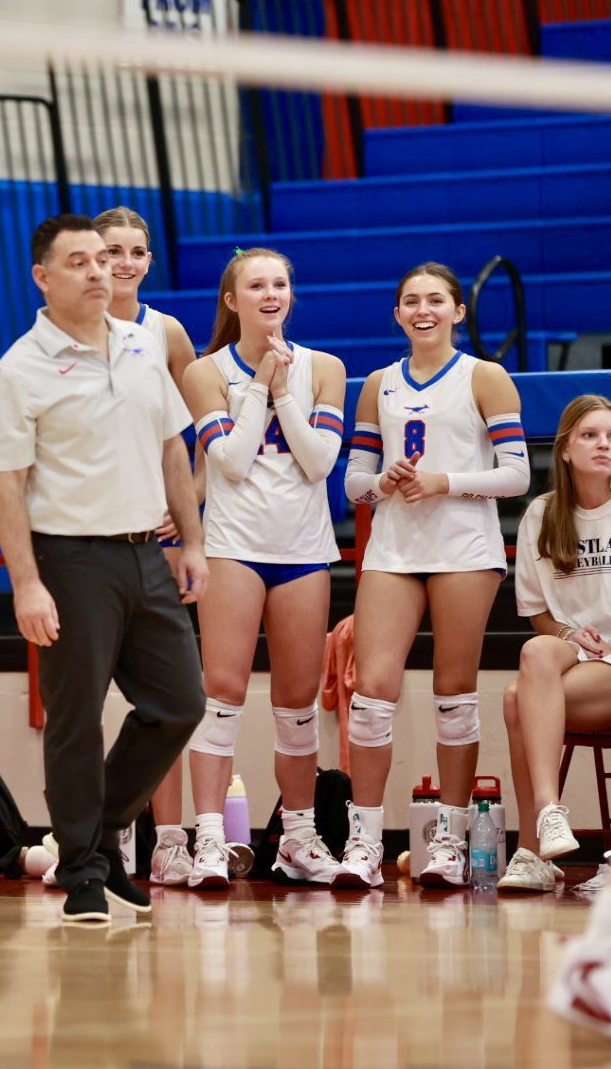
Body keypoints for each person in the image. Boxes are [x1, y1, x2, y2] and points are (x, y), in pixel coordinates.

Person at [0, 213, 207, 924]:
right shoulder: (17, 371)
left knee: (180, 703)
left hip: (145, 553)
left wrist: (193, 543)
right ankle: (82, 869)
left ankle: (97, 831)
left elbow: (173, 448)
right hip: (70, 559)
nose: (98, 272)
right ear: (43, 277)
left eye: (102, 260)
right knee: (76, 718)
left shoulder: (142, 344)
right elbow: (7, 487)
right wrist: (26, 584)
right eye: (79, 262)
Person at [336, 261, 530, 889]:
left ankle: (448, 840)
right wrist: (382, 481)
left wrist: (444, 481)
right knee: (371, 695)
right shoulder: (379, 384)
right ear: (397, 313)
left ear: (458, 311)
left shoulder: (485, 376)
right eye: (412, 301)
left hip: (464, 550)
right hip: (393, 550)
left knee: (454, 694)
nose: (424, 310)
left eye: (436, 300)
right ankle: (363, 844)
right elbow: (354, 483)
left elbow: (517, 474)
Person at [181, 247, 346, 889]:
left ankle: (298, 839)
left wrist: (283, 393)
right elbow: (231, 461)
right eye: (257, 285)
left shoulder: (324, 367)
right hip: (233, 548)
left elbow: (319, 462)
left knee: (297, 703)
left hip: (303, 550)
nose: (271, 294)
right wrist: (259, 386)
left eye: (280, 283)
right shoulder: (205, 371)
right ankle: (209, 841)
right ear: (233, 300)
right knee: (221, 695)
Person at [93, 206, 199, 888]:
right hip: (82, 538)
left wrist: (189, 520)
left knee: (169, 699)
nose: (125, 263)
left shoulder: (167, 333)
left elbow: (198, 435)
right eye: (112, 251)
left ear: (149, 260)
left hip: (148, 535)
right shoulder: (59, 336)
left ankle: (169, 840)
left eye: (136, 251)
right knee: (88, 700)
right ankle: (100, 837)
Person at [497, 394, 611, 892]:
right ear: (565, 449)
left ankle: (532, 850)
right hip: (575, 653)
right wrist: (568, 633)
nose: (603, 444)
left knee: (515, 701)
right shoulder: (541, 515)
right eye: (590, 435)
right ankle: (549, 812)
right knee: (536, 650)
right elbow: (539, 615)